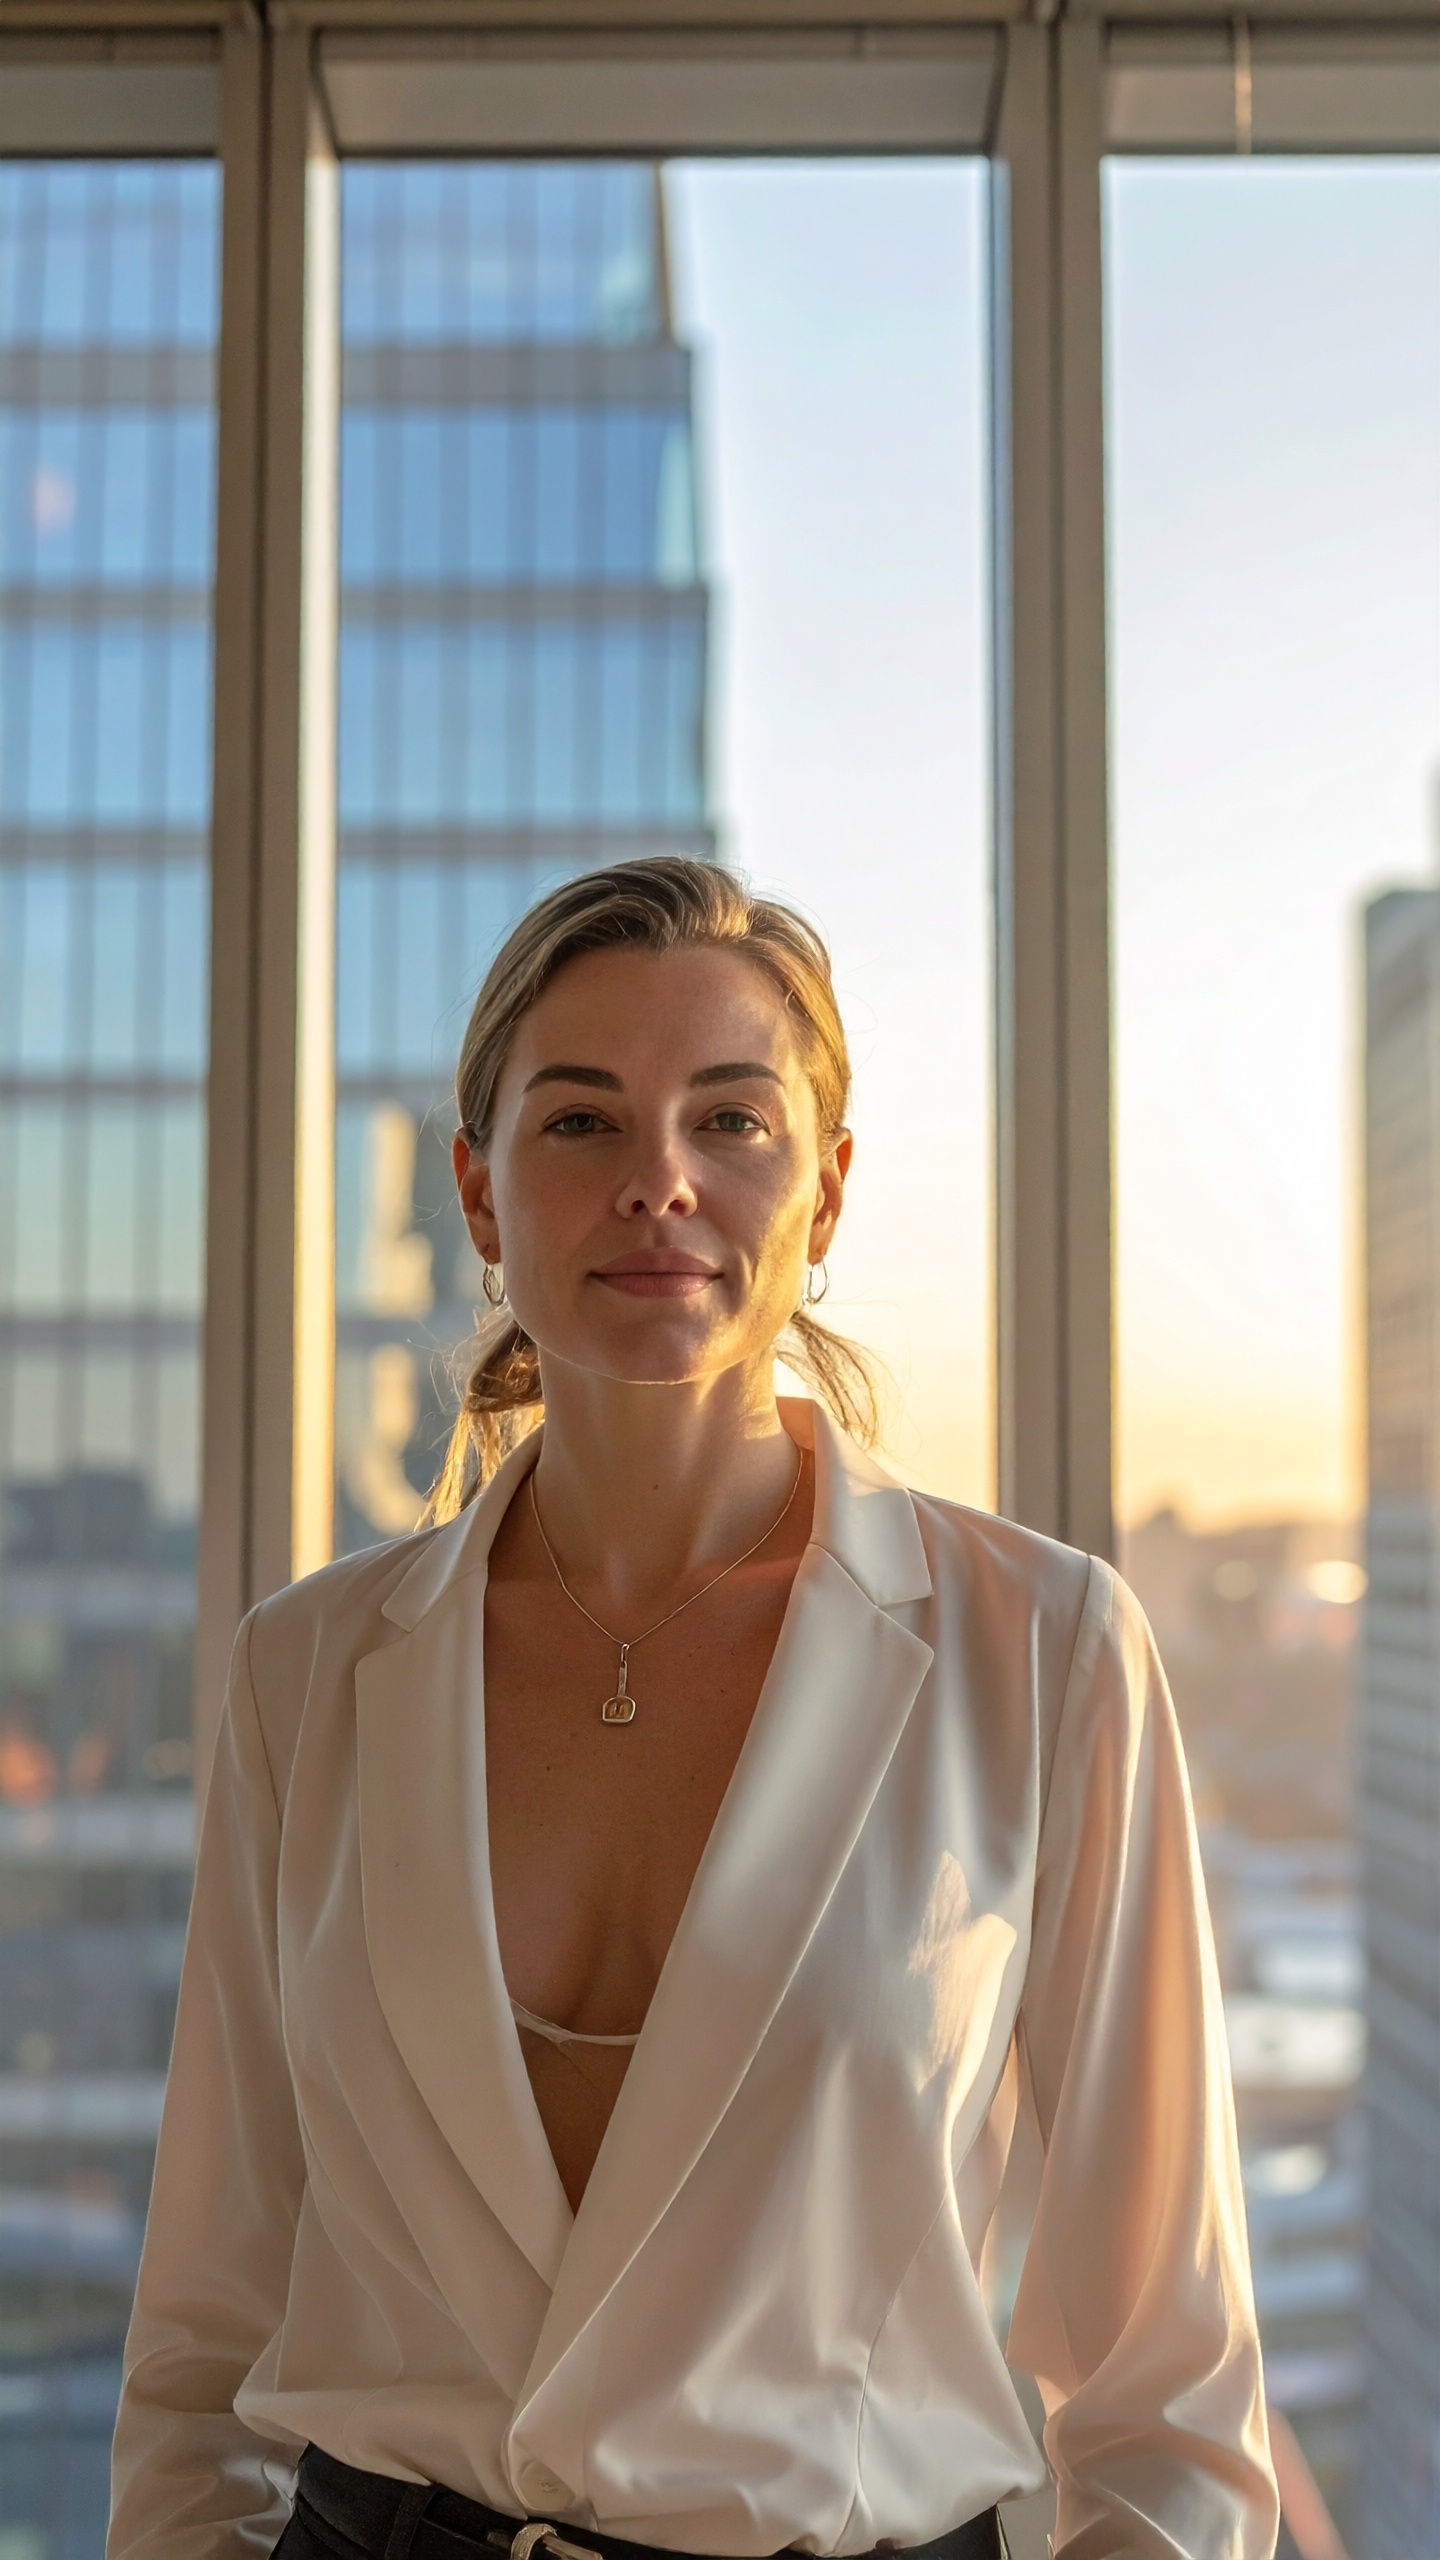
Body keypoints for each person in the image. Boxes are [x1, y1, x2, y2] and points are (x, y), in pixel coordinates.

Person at [108, 856, 1278, 2560]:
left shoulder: (1049, 1650)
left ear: (830, 1189)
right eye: (581, 1124)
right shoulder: (306, 1672)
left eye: (731, 1121)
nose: (659, 1180)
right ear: (482, 1196)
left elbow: (1169, 2407)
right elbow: (202, 2336)